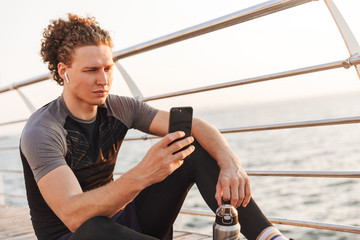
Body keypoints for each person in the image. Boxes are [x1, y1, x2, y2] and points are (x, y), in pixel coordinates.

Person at [20, 14, 292, 240]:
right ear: (64, 71)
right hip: (76, 235)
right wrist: (143, 174)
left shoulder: (119, 107)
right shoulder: (43, 131)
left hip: (122, 221)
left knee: (188, 147)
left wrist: (231, 163)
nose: (103, 80)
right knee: (92, 228)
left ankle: (270, 236)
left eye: (108, 68)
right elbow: (74, 215)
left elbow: (197, 126)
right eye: (91, 70)